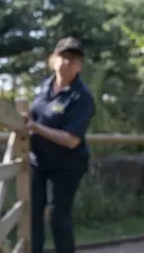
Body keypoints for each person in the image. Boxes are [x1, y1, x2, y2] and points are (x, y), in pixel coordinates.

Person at [22, 36, 96, 253]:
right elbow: (33, 115)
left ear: (80, 66)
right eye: (63, 57)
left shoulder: (82, 97)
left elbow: (71, 140)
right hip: (39, 162)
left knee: (58, 216)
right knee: (33, 215)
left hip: (67, 166)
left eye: (73, 59)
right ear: (53, 59)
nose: (67, 62)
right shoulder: (44, 86)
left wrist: (35, 127)